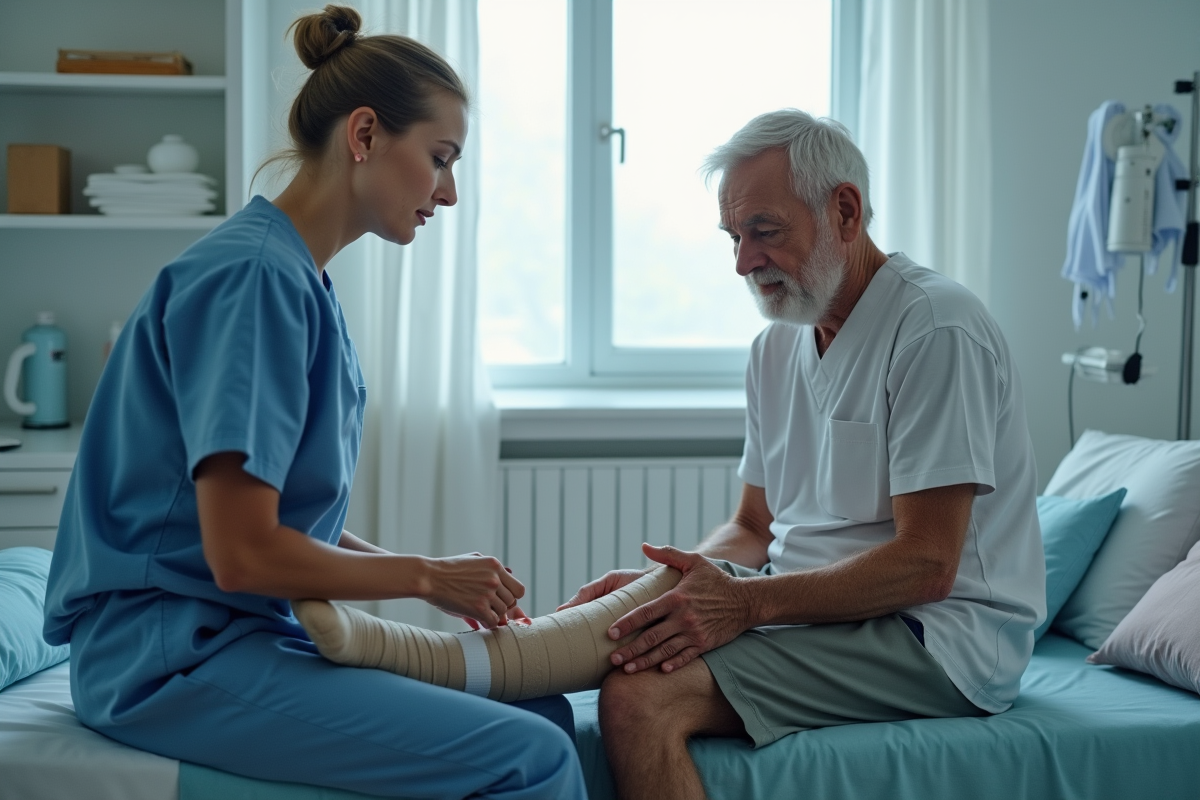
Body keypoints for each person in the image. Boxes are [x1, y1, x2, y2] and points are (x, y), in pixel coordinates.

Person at [42, 6, 587, 799]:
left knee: (545, 712)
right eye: (440, 158)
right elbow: (244, 554)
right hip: (167, 657)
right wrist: (427, 578)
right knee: (532, 758)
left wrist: (434, 573)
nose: (452, 191)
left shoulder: (293, 279)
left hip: (227, 633)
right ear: (364, 135)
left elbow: (272, 522)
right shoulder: (253, 281)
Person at [556, 109, 1047, 800]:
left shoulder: (936, 328)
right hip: (813, 612)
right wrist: (674, 585)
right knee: (621, 631)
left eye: (765, 232)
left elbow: (930, 564)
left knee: (639, 698)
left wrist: (745, 606)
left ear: (844, 211)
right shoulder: (777, 346)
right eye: (733, 236)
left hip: (936, 638)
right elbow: (754, 528)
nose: (742, 262)